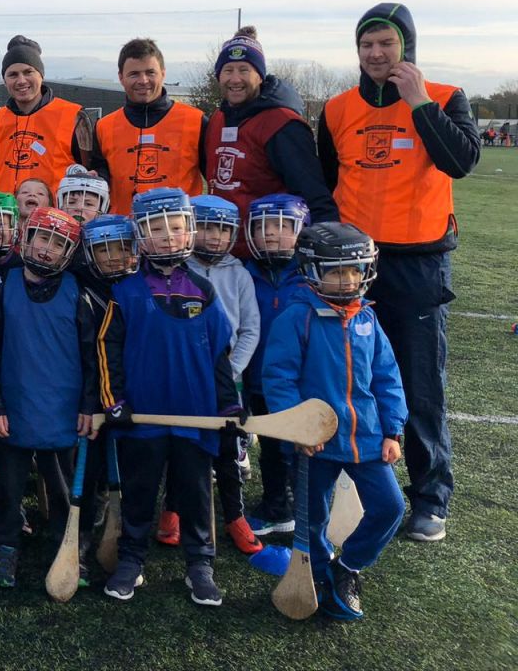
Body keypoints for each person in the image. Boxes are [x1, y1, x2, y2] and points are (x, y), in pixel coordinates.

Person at [316, 3, 480, 543]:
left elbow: (459, 162)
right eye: (367, 45)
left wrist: (419, 104)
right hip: (352, 266)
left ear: (406, 45)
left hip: (418, 263)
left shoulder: (445, 96)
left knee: (418, 383)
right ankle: (352, 490)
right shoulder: (338, 109)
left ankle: (431, 495)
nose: (376, 54)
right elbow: (323, 182)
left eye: (386, 43)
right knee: (346, 376)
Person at [99, 189, 241, 607]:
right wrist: (114, 401)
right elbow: (108, 350)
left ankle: (200, 564)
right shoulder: (124, 292)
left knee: (195, 492)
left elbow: (221, 356)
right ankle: (131, 560)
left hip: (196, 419)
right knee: (140, 492)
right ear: (140, 236)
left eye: (175, 228)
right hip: (143, 419)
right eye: (155, 229)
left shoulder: (204, 291)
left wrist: (229, 406)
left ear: (188, 232)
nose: (166, 237)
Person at [262, 222, 409, 621]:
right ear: (313, 272)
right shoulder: (297, 318)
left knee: (390, 507)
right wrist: (298, 429)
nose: (346, 281)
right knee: (312, 519)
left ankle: (349, 568)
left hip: (368, 439)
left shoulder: (368, 320)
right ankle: (322, 567)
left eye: (354, 271)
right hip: (317, 443)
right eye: (335, 271)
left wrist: (393, 430)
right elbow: (279, 378)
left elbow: (387, 376)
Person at [0, 206, 99, 589]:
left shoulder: (79, 294)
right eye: (43, 238)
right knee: (10, 492)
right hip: (14, 408)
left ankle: (69, 548)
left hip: (63, 411)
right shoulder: (4, 287)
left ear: (70, 253)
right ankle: (6, 548)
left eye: (59, 244)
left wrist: (89, 405)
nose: (48, 249)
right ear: (25, 239)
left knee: (64, 490)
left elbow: (92, 356)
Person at [157, 194, 263, 555]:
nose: (215, 237)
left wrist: (229, 373)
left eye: (223, 229)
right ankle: (171, 510)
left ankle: (235, 515)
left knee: (228, 449)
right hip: (183, 375)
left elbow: (250, 329)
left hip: (226, 379)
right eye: (206, 228)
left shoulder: (240, 275)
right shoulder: (175, 270)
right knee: (180, 444)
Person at [203, 28, 337, 251]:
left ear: (260, 75)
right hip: (223, 250)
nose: (235, 79)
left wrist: (323, 248)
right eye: (228, 70)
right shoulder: (218, 119)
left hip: (268, 253)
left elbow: (314, 195)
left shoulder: (282, 124)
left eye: (244, 70)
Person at [241, 193, 310, 535]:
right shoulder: (244, 275)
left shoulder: (311, 276)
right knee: (269, 446)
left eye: (282, 225)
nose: (270, 233)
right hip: (258, 378)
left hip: (300, 381)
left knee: (302, 450)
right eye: (262, 226)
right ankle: (275, 507)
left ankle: (310, 513)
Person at [88, 38, 205, 214]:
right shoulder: (104, 126)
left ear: (163, 73)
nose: (143, 80)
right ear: (121, 77)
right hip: (122, 234)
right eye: (134, 74)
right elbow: (100, 176)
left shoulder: (196, 121)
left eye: (150, 72)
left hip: (177, 235)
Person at [0, 36, 83, 195]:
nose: (21, 81)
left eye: (28, 72)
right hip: (4, 215)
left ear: (41, 75)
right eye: (13, 74)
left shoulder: (72, 116)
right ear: (4, 81)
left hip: (53, 217)